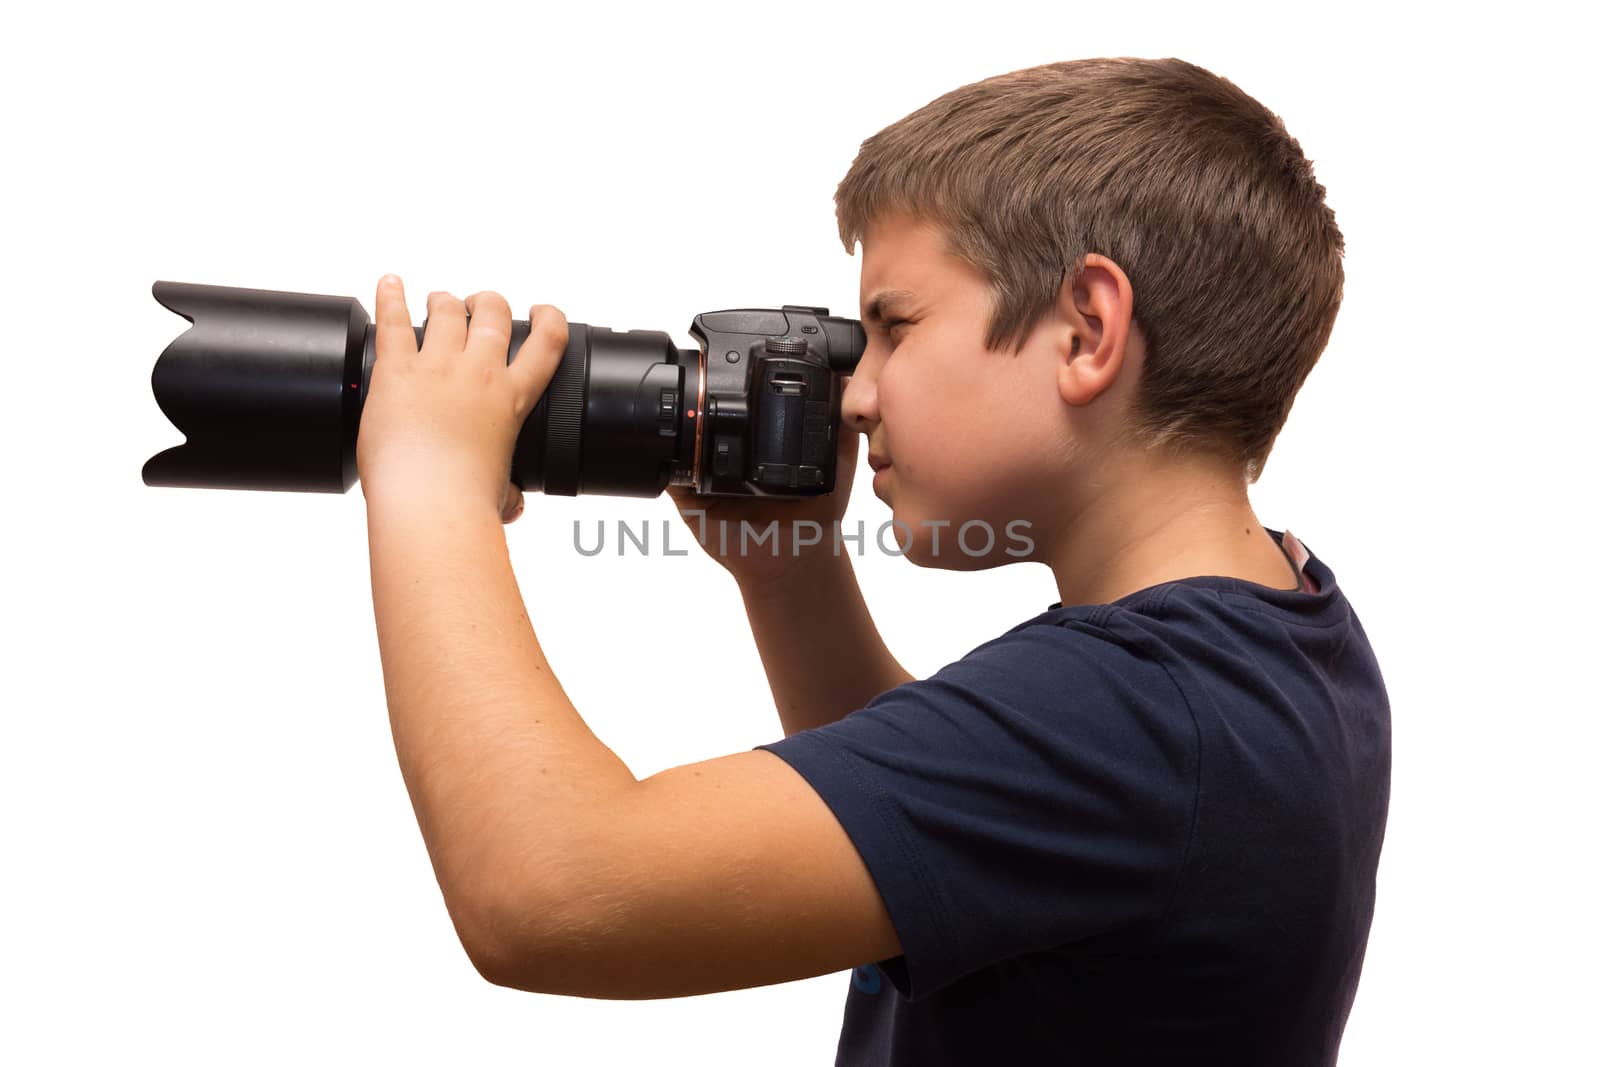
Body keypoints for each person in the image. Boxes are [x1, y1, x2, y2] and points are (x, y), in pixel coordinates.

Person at [357, 54, 1390, 1067]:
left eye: (894, 327)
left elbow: (549, 892)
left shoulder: (1133, 711)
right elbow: (972, 832)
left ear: (1086, 328)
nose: (857, 394)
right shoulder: (1281, 636)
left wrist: (428, 474)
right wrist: (795, 577)